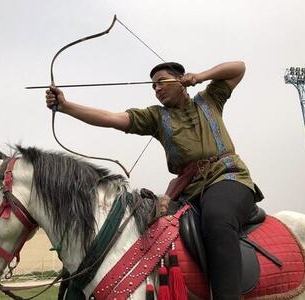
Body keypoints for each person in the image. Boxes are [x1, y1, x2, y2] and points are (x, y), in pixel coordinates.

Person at [45, 61, 262, 300]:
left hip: (228, 177)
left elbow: (238, 68)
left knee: (217, 219)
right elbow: (110, 117)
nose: (156, 89)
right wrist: (66, 107)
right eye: (153, 86)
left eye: (161, 82)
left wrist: (200, 76)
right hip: (188, 190)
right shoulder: (156, 117)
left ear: (180, 81)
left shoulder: (210, 99)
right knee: (151, 229)